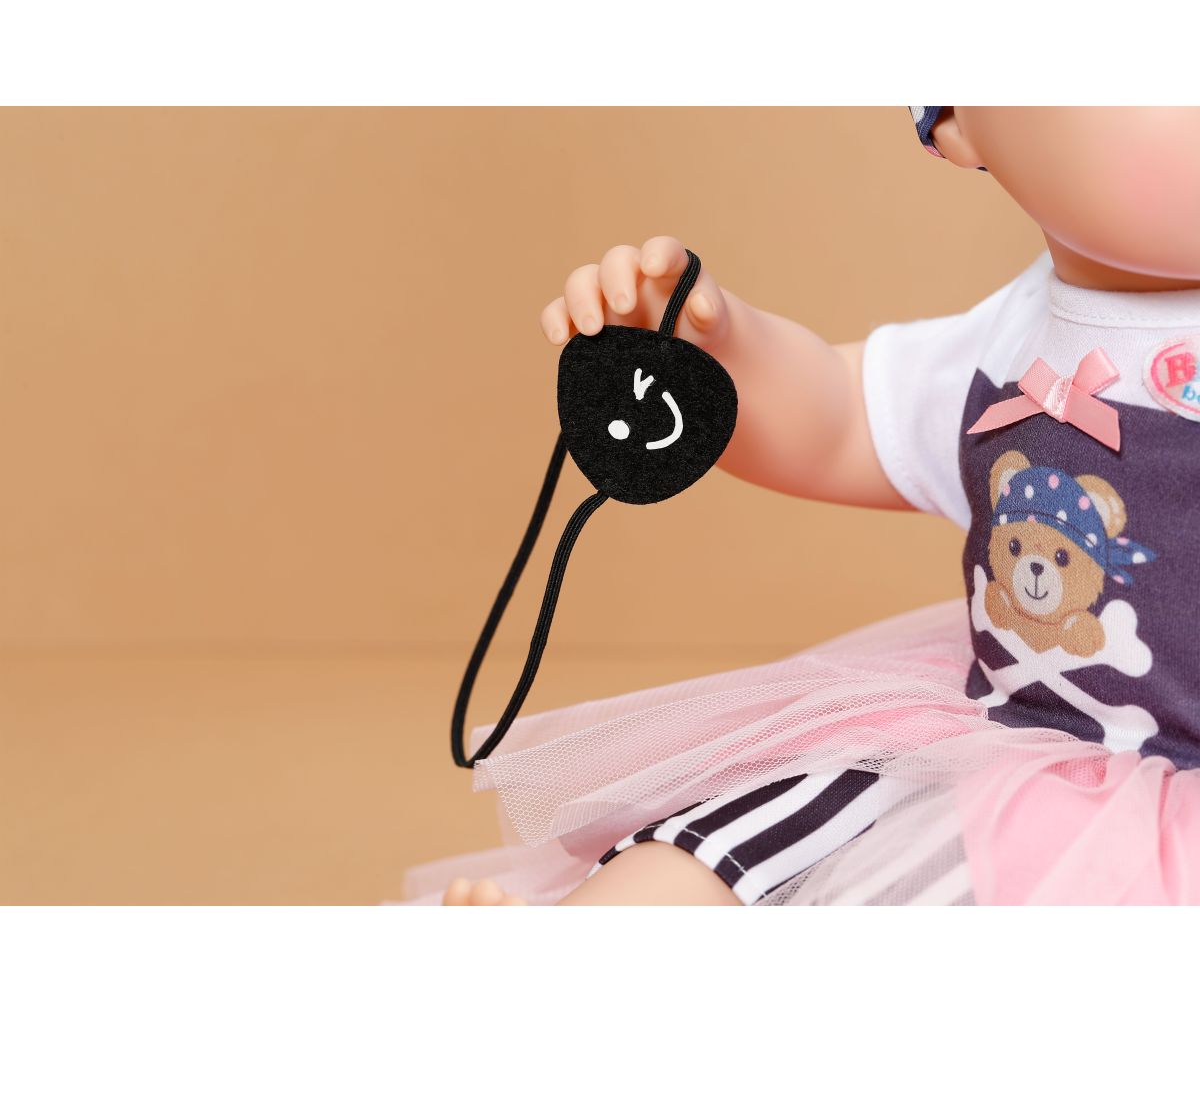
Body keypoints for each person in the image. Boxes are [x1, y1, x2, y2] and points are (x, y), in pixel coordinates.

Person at [416, 108, 1200, 906]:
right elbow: (840, 420)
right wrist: (715, 356)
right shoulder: (1005, 342)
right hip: (1010, 739)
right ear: (958, 120)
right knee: (739, 843)